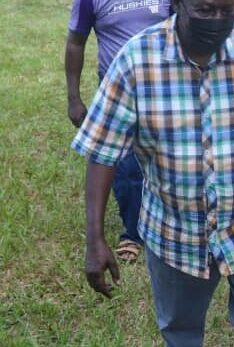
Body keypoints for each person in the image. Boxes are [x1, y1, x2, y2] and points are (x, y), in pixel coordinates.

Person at [71, 0, 234, 347]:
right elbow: (102, 152)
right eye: (205, 11)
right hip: (175, 231)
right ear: (177, 5)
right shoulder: (136, 61)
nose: (217, 21)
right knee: (180, 331)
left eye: (225, 10)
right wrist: (94, 238)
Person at [65, 0, 173, 262]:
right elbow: (75, 43)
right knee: (125, 167)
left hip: (166, 88)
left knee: (168, 159)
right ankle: (134, 233)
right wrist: (74, 98)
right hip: (117, 91)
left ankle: (171, 223)